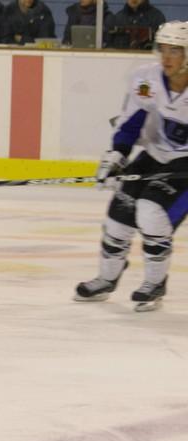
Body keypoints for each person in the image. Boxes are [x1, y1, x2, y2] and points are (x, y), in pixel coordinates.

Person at [74, 21, 188, 312]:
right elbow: (132, 123)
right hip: (155, 153)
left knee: (151, 212)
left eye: (175, 50)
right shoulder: (147, 79)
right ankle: (107, 278)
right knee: (119, 214)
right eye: (163, 49)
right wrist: (117, 156)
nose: (166, 57)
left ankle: (155, 283)